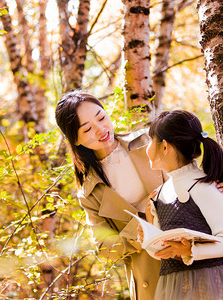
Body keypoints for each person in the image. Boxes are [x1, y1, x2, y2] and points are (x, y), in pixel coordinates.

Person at [55, 90, 164, 300]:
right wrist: (142, 227)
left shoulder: (148, 140)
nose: (100, 129)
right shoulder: (89, 191)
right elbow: (105, 249)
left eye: (101, 118)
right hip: (150, 275)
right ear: (75, 140)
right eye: (87, 129)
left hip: (192, 251)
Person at [141, 109, 223, 300]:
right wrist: (148, 234)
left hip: (211, 286)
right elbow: (162, 253)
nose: (147, 147)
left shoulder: (203, 187)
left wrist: (190, 250)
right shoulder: (159, 194)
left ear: (165, 147)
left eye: (150, 140)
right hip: (174, 289)